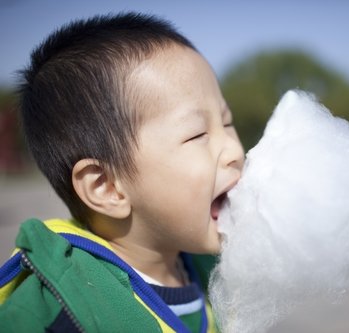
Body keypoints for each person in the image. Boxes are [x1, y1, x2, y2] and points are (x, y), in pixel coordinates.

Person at [0, 12, 244, 333]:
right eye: (198, 134)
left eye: (227, 122)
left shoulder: (208, 267)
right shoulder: (53, 313)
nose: (236, 150)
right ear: (107, 187)